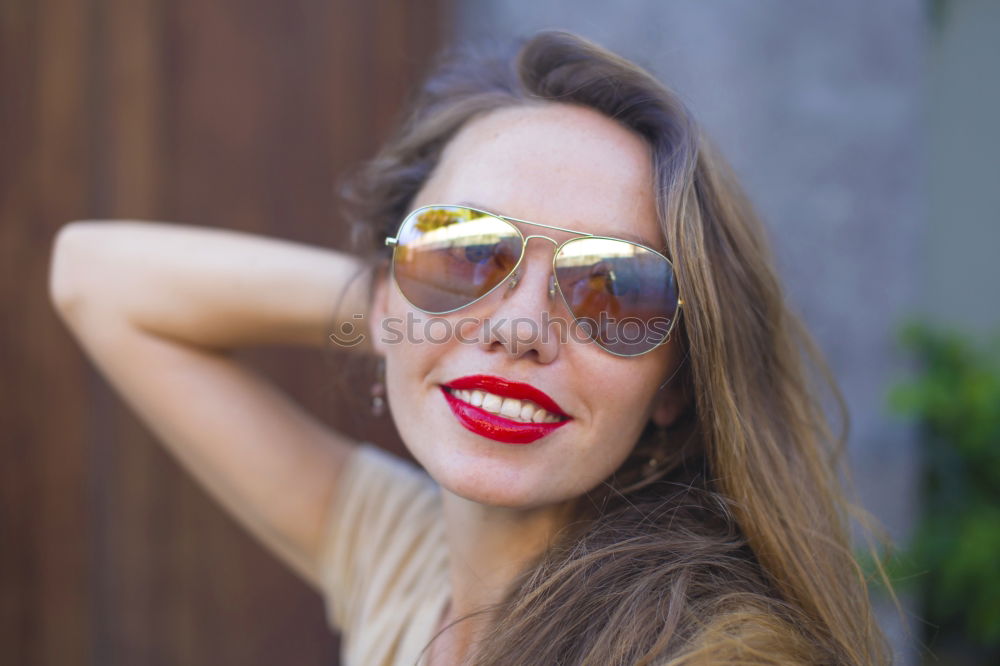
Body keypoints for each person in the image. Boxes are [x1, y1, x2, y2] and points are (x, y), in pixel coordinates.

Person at [49, 30, 892, 666]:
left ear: (675, 384)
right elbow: (95, 276)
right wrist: (408, 318)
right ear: (383, 287)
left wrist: (425, 311)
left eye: (616, 286)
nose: (520, 327)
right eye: (462, 251)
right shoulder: (405, 560)